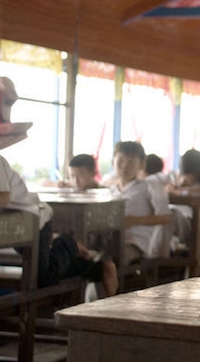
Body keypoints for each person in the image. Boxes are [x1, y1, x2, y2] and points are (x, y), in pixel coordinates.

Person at [0, 78, 116, 295]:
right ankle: (94, 268)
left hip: (34, 220)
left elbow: (3, 198)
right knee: (44, 272)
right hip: (12, 224)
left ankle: (67, 244)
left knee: (41, 277)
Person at [108, 141, 173, 264]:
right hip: (112, 241)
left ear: (142, 165)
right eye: (120, 160)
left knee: (109, 260)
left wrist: (136, 220)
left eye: (131, 161)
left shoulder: (150, 186)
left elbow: (167, 217)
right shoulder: (111, 190)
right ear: (113, 162)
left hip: (136, 244)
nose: (125, 166)